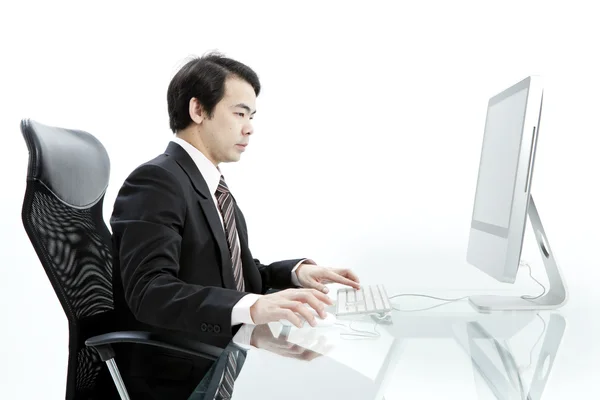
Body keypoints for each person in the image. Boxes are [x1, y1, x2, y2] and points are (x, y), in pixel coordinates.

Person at [109, 51, 361, 399]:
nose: (249, 127)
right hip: (179, 378)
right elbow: (150, 291)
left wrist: (295, 273)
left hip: (221, 358)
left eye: (252, 115)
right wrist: (253, 307)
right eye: (239, 113)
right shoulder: (158, 180)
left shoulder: (210, 186)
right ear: (198, 110)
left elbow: (231, 273)